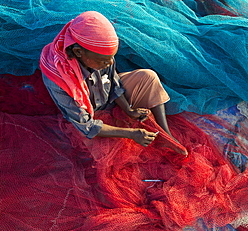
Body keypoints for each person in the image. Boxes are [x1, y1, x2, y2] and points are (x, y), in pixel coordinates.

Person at [40, 11, 179, 149]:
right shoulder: (59, 78)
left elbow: (113, 82)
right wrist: (131, 134)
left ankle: (165, 135)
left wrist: (128, 110)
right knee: (104, 150)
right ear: (78, 52)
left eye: (112, 57)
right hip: (88, 117)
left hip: (108, 101)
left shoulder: (100, 56)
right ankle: (121, 131)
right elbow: (86, 126)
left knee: (148, 77)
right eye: (103, 60)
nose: (111, 62)